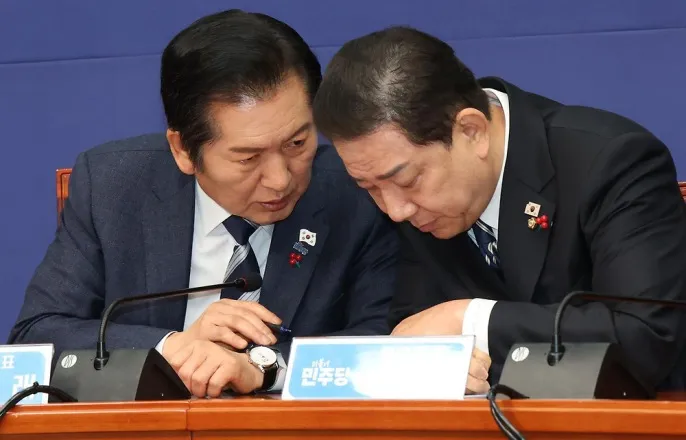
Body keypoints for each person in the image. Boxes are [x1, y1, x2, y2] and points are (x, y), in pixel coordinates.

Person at [7, 10, 404, 398]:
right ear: (183, 150)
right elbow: (37, 336)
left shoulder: (357, 192)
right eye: (248, 158)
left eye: (297, 143)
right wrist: (172, 347)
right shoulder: (113, 188)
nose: (281, 178)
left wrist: (266, 367)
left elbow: (387, 341)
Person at [311, 26, 686, 390]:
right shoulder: (416, 197)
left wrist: (472, 320)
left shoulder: (611, 161)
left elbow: (644, 334)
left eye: (408, 181)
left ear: (471, 131)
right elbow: (415, 328)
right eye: (369, 188)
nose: (395, 210)